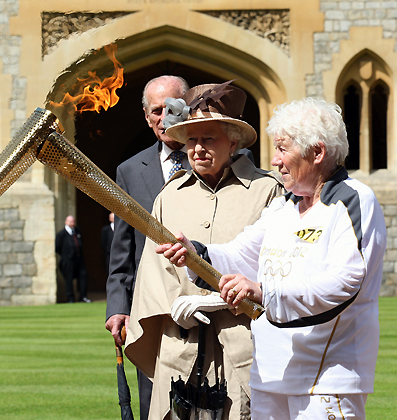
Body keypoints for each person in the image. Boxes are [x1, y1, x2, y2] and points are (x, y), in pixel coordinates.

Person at [157, 97, 386, 420]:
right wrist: (198, 254)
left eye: (282, 148)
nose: (275, 161)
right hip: (270, 373)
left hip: (327, 377)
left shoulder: (353, 200)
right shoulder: (285, 205)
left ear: (317, 153)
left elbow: (346, 283)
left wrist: (265, 293)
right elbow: (241, 253)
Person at [124, 81, 284, 420]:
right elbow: (153, 273)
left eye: (208, 138)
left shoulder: (267, 191)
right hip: (181, 348)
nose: (197, 148)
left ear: (233, 140)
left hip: (242, 348)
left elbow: (275, 270)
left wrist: (213, 299)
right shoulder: (170, 196)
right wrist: (174, 306)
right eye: (191, 140)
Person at [105, 75, 190, 420]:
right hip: (151, 309)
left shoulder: (222, 160)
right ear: (146, 116)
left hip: (207, 304)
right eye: (156, 110)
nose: (164, 117)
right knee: (154, 406)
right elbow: (123, 250)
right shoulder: (129, 171)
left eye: (172, 108)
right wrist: (117, 307)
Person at [55, 215, 91, 303]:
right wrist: (66, 255)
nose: (72, 223)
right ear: (66, 222)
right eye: (71, 221)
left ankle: (83, 297)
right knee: (69, 279)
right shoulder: (61, 234)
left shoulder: (78, 231)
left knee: (83, 276)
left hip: (79, 259)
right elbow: (57, 247)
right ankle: (70, 298)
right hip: (68, 260)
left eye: (73, 221)